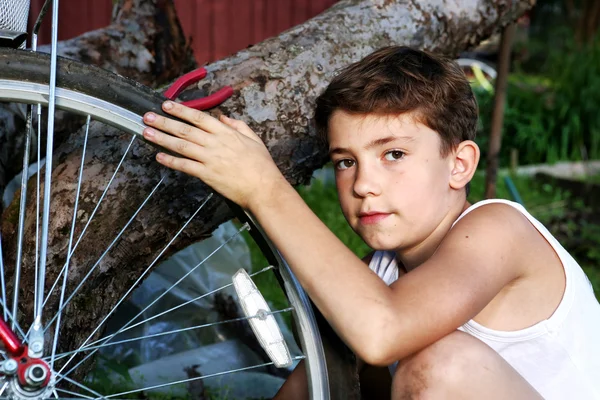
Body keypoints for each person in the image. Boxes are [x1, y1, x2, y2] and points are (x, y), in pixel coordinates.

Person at [141, 46, 600, 399]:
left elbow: (383, 332)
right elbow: (314, 385)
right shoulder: (378, 274)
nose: (363, 185)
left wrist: (264, 188)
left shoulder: (499, 230)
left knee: (437, 363)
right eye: (345, 162)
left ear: (459, 165)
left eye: (393, 154)